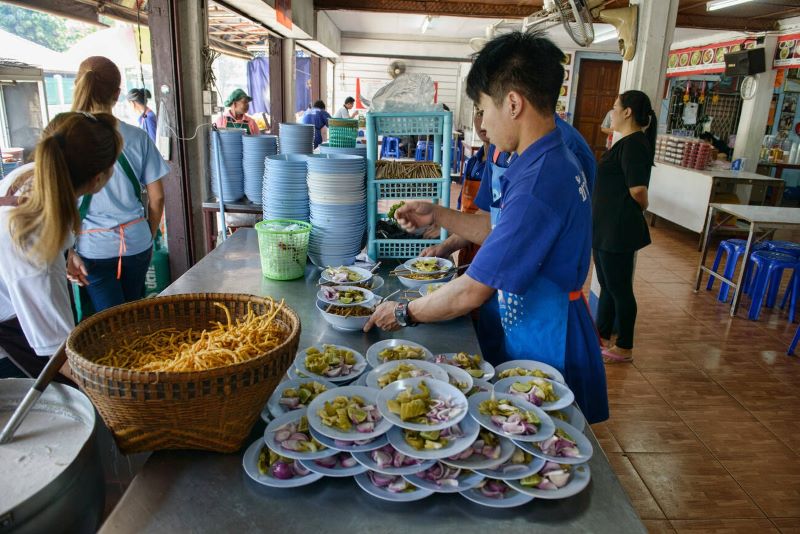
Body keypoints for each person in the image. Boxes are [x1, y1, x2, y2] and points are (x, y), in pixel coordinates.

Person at [365, 31, 608, 424]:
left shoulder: (539, 180)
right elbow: (501, 231)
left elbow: (471, 292)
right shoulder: (543, 159)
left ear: (512, 103)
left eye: (482, 108)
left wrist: (405, 312)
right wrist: (439, 215)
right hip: (534, 323)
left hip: (549, 337)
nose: (482, 124)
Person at [0, 112, 122, 379]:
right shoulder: (32, 245)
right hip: (9, 333)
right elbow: (58, 352)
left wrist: (67, 253)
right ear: (98, 179)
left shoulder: (39, 175)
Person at [69, 56, 169, 313]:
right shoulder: (137, 137)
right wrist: (148, 232)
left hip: (93, 248)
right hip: (137, 242)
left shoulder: (66, 136)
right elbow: (157, 198)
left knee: (110, 322)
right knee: (132, 313)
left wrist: (67, 251)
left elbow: (58, 201)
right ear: (117, 93)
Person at [593, 90, 657, 364]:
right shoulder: (625, 142)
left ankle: (625, 347)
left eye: (616, 107)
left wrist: (638, 209)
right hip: (605, 227)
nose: (613, 111)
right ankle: (601, 337)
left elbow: (638, 190)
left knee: (619, 289)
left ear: (628, 112)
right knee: (607, 286)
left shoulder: (635, 145)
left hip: (618, 229)